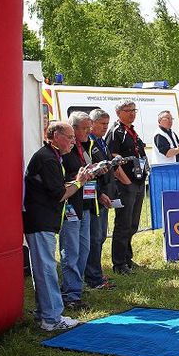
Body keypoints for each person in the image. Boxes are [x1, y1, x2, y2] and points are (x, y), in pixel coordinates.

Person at [23, 122, 93, 331]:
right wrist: (79, 182)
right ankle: (51, 319)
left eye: (74, 137)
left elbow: (56, 188)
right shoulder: (47, 158)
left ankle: (45, 314)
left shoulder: (52, 157)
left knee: (44, 268)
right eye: (69, 136)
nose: (73, 141)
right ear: (54, 136)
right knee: (46, 269)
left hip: (43, 220)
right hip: (40, 220)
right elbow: (60, 194)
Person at [59, 112, 102, 309]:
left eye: (89, 128)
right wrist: (80, 176)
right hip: (71, 206)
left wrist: (94, 170)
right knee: (71, 251)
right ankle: (71, 294)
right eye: (84, 128)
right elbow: (62, 178)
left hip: (86, 205)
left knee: (84, 250)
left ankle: (76, 287)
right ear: (73, 129)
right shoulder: (65, 150)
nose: (88, 131)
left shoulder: (85, 145)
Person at [106, 100, 148, 275]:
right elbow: (113, 157)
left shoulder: (131, 131)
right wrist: (126, 182)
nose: (132, 113)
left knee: (133, 224)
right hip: (125, 184)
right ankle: (119, 263)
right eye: (128, 110)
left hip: (138, 182)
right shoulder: (116, 132)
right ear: (118, 113)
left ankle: (127, 258)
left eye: (134, 110)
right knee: (123, 224)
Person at [84, 109, 117, 290]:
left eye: (107, 124)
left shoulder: (100, 141)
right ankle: (93, 277)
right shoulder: (88, 142)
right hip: (94, 196)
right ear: (92, 123)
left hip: (104, 194)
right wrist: (99, 193)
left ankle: (95, 273)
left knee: (100, 236)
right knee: (94, 238)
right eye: (102, 124)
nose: (106, 128)